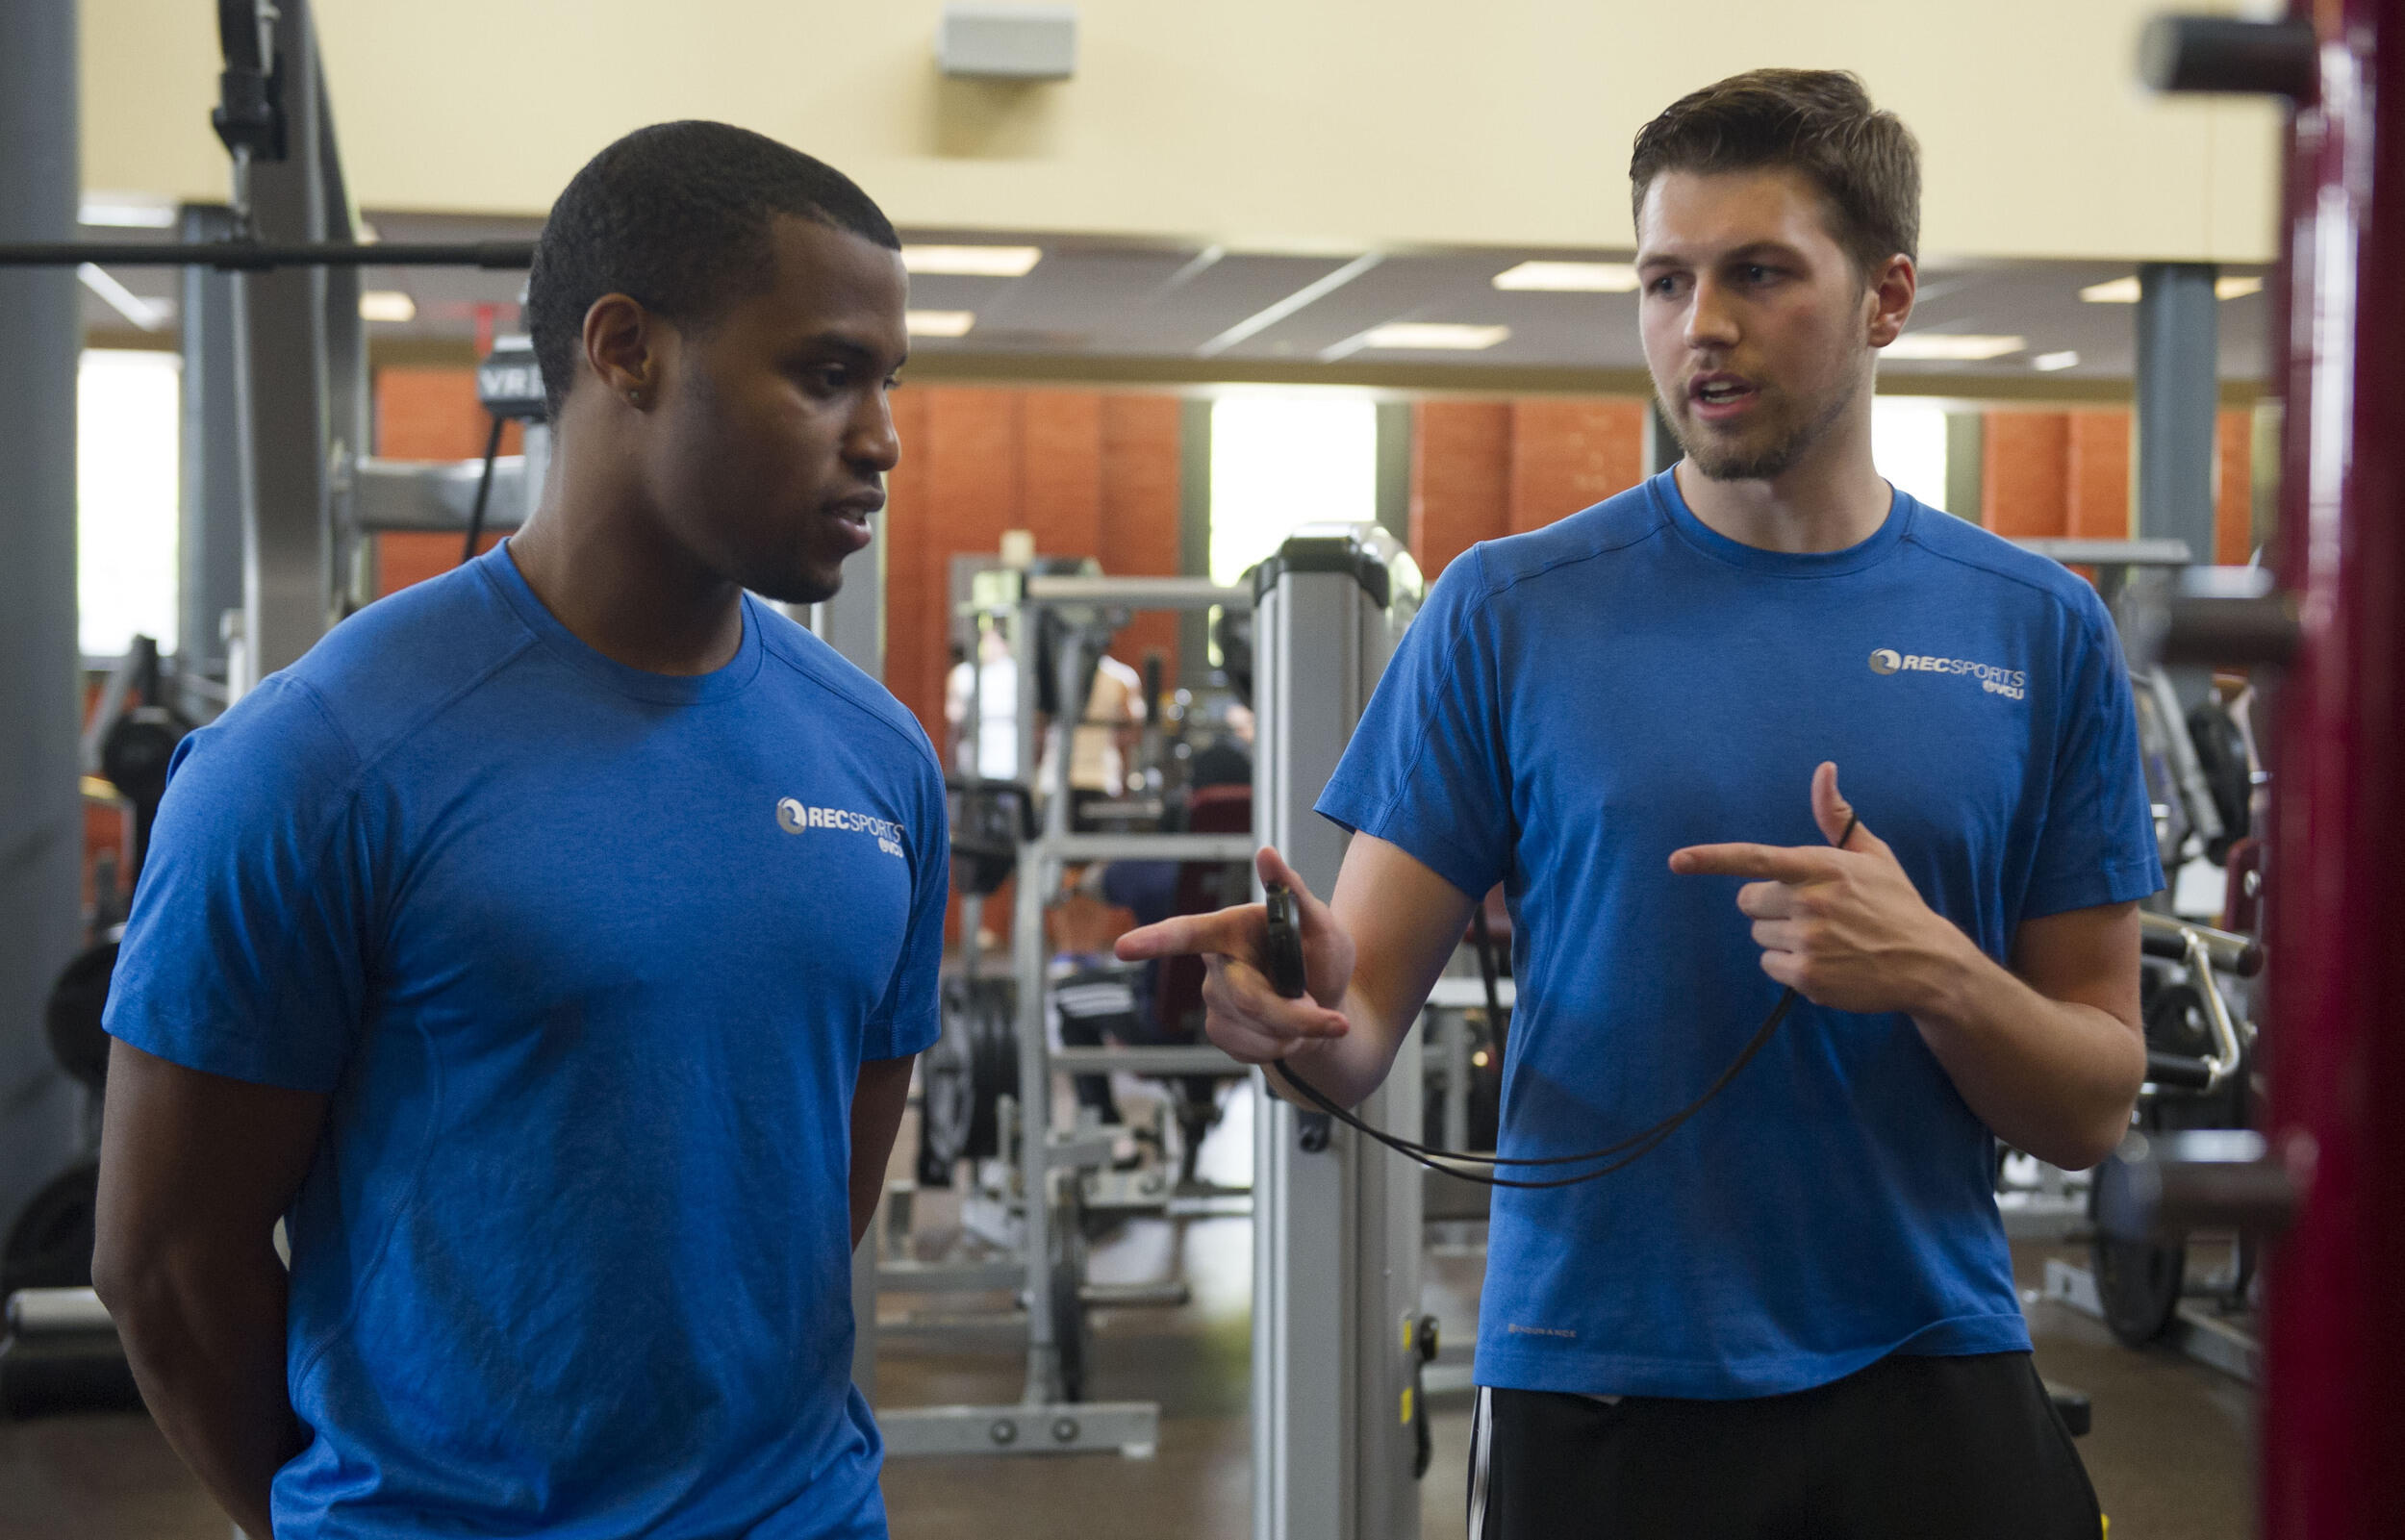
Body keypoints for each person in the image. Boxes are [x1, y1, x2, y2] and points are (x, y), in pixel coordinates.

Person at [1122, 69, 2155, 1538]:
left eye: (1757, 274)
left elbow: (2093, 1106)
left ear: (1889, 296)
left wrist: (1930, 968)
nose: (1701, 327)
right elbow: (1345, 1045)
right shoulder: (1509, 610)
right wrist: (1277, 1014)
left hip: (1930, 1364)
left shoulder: (2039, 630)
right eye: (1664, 281)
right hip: (1598, 1383)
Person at [91, 122, 943, 1540]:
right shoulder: (317, 760)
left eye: (888, 381)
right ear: (626, 351)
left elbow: (802, 1213)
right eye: (826, 373)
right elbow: (165, 1266)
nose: (883, 439)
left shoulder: (881, 759)